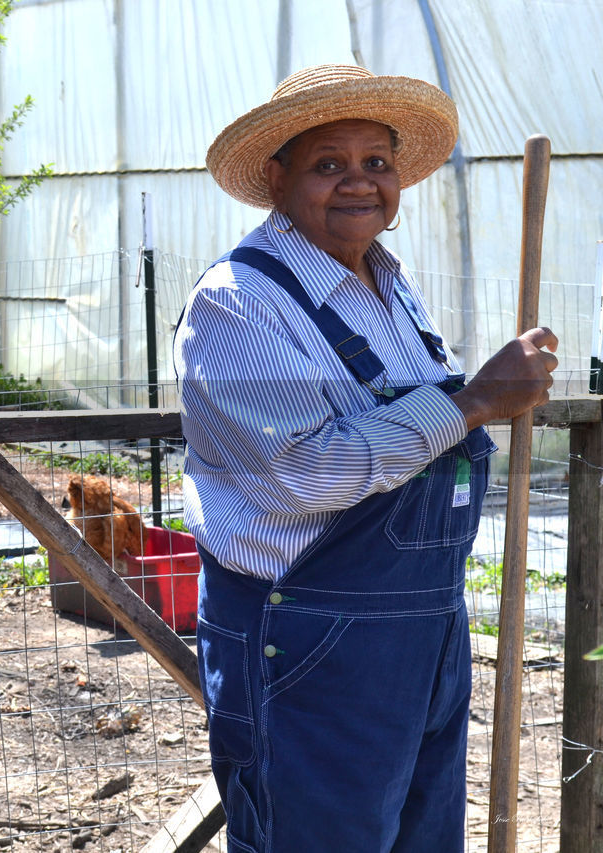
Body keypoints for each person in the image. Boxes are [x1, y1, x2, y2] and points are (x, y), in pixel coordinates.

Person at [173, 64, 558, 852]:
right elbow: (300, 472)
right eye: (328, 164)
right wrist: (475, 401)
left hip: (424, 636)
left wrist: (480, 397)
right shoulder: (238, 301)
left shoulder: (389, 284)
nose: (359, 184)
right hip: (307, 645)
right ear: (275, 179)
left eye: (376, 164)